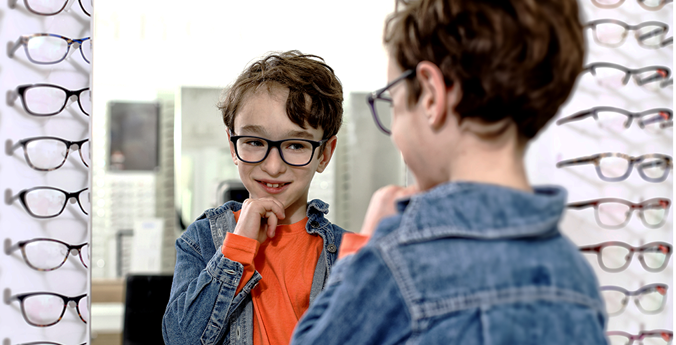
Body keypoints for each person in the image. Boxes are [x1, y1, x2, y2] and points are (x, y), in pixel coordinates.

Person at [291, 0, 609, 344]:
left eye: (393, 102)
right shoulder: (574, 276)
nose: (395, 128)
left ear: (430, 95)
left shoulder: (400, 259)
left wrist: (365, 245)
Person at [162, 51, 347, 345]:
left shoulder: (347, 254)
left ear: (324, 154)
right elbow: (180, 339)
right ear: (233, 147)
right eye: (254, 142)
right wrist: (236, 250)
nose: (273, 166)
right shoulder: (202, 240)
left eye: (296, 145)